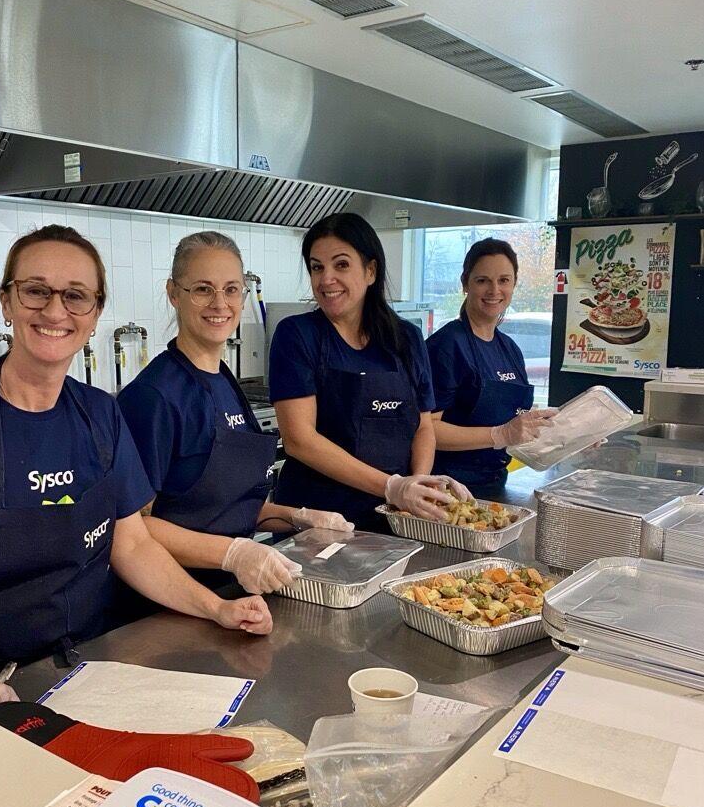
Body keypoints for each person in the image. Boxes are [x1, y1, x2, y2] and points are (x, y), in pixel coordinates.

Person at [0, 225, 271, 712]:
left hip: (92, 669)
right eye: (36, 291)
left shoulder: (101, 414)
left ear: (95, 313)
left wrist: (217, 608)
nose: (55, 311)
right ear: (7, 302)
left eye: (76, 296)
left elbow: (133, 542)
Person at [118, 231, 352, 594]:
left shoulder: (226, 384)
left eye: (231, 289)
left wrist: (297, 516)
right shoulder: (153, 397)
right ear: (173, 293)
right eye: (202, 289)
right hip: (168, 598)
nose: (219, 303)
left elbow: (225, 506)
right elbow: (134, 526)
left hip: (234, 591)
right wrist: (232, 552)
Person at [268, 212, 469, 531]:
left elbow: (423, 427)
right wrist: (392, 487)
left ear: (371, 270)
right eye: (317, 267)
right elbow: (299, 440)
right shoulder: (297, 335)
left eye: (341, 265)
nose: (326, 279)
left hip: (394, 521)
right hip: (321, 525)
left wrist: (416, 485)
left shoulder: (406, 339)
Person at [426, 237, 556, 496]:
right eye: (482, 280)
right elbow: (427, 429)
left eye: (504, 280)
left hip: (496, 484)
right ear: (465, 284)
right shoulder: (447, 346)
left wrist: (574, 433)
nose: (494, 290)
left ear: (514, 284)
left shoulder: (509, 349)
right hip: (447, 490)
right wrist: (499, 434)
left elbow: (519, 427)